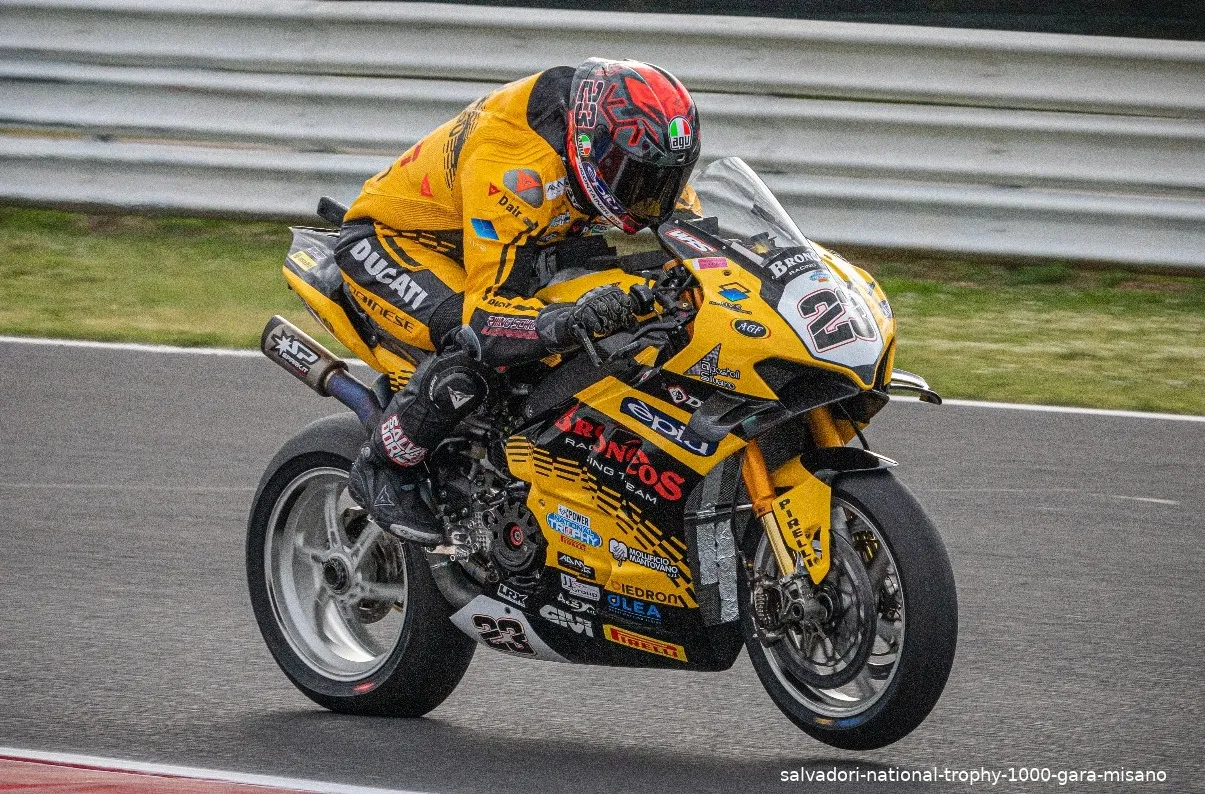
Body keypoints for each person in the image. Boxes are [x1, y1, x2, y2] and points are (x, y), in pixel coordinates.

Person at [335, 58, 702, 544]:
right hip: (397, 244)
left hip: (510, 245)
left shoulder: (632, 146)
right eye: (636, 181)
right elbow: (486, 317)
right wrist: (571, 320)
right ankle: (383, 465)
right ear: (590, 150)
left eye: (663, 182)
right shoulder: (514, 164)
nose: (651, 199)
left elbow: (698, 247)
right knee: (472, 347)